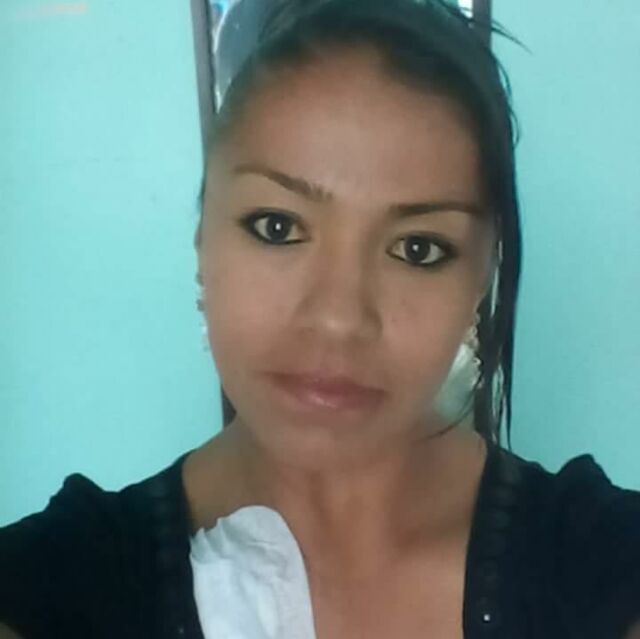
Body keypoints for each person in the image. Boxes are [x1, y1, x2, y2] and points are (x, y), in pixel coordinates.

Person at [1, 1, 639, 637]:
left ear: (479, 278)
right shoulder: (67, 581)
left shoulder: (600, 559)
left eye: (418, 248)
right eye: (277, 227)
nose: (338, 319)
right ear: (203, 240)